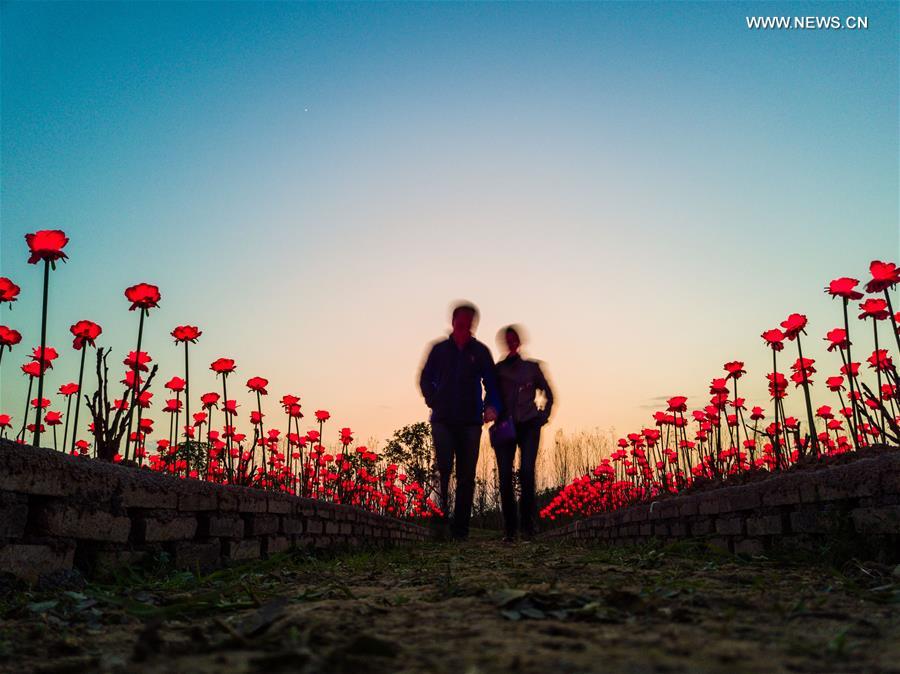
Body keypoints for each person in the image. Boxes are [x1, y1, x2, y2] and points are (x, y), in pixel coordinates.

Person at [419, 302, 501, 541]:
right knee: (442, 468)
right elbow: (425, 377)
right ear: (453, 322)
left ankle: (460, 530)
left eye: (469, 322)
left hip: (470, 423)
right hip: (443, 420)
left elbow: (492, 384)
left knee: (466, 476)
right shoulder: (439, 350)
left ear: (474, 324)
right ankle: (439, 522)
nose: (465, 326)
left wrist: (491, 406)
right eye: (460, 322)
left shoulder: (481, 352)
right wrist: (433, 399)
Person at [493, 325, 554, 541]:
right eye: (507, 339)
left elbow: (549, 393)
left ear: (519, 341)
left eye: (514, 339)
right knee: (505, 478)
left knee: (527, 473)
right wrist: (490, 410)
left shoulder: (532, 368)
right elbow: (490, 395)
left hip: (529, 425)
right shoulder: (498, 369)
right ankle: (510, 529)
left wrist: (542, 416)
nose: (511, 342)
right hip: (505, 427)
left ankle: (528, 526)